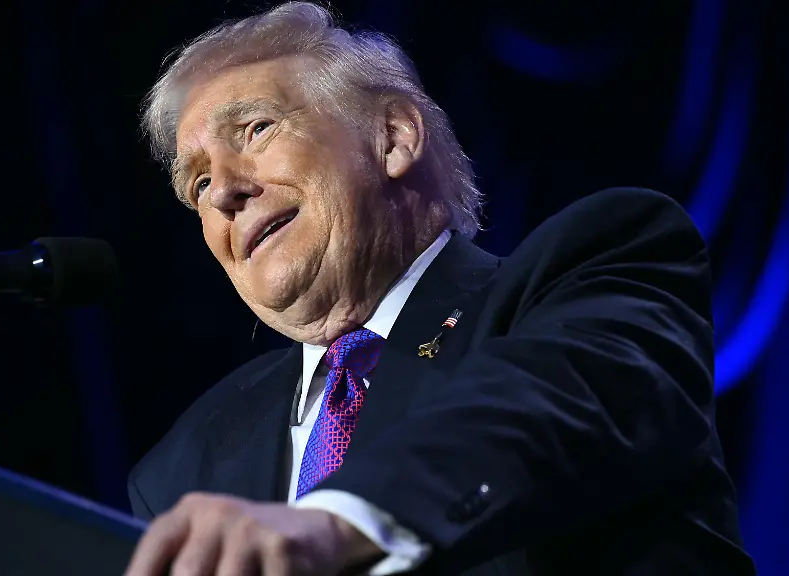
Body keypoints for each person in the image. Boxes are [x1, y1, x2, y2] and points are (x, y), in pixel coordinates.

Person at [124, 3, 755, 574]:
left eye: (256, 130)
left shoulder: (589, 268)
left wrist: (336, 522)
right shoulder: (183, 465)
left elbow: (547, 401)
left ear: (394, 137)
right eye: (198, 185)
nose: (225, 192)